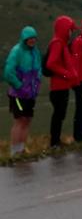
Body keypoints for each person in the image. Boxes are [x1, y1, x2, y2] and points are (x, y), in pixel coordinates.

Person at [6, 26, 40, 157]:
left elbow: (38, 71)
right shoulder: (17, 51)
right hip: (18, 94)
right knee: (20, 120)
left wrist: (36, 86)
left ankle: (21, 148)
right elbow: (8, 72)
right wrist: (19, 86)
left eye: (33, 38)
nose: (32, 40)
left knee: (27, 119)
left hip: (30, 94)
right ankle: (14, 151)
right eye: (29, 38)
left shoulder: (34, 52)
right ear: (24, 39)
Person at [43, 15, 76, 147]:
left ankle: (56, 141)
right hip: (58, 87)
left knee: (60, 114)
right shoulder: (57, 43)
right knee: (58, 115)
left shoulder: (61, 43)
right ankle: (54, 142)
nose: (71, 32)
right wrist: (66, 74)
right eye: (69, 29)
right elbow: (51, 63)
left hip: (61, 87)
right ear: (63, 29)